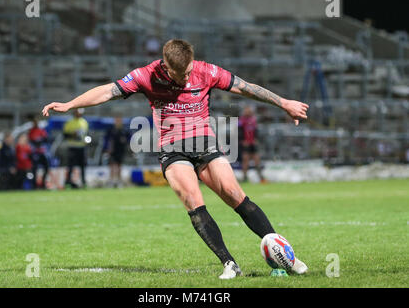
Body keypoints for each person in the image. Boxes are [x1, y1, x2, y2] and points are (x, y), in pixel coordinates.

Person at [42, 39, 309, 279]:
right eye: (179, 74)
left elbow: (246, 88)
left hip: (205, 143)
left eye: (189, 71)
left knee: (233, 193)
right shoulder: (146, 76)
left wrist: (283, 102)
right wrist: (70, 105)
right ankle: (229, 264)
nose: (186, 78)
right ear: (166, 66)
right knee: (194, 202)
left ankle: (285, 257)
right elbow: (107, 91)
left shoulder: (206, 70)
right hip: (172, 149)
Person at [239, 106, 267, 183]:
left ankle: (261, 176)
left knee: (257, 160)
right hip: (246, 144)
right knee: (245, 160)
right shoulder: (241, 120)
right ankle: (244, 177)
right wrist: (243, 141)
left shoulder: (253, 119)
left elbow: (256, 131)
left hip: (252, 143)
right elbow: (239, 131)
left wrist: (256, 139)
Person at [63, 108, 89, 189]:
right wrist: (73, 135)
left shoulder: (84, 122)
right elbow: (65, 135)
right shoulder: (69, 122)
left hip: (81, 146)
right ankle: (67, 182)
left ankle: (83, 182)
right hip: (72, 146)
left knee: (83, 166)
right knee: (70, 166)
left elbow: (86, 134)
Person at [105, 116, 130, 188]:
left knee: (119, 166)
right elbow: (107, 140)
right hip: (112, 150)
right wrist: (107, 149)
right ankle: (111, 181)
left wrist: (125, 141)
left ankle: (119, 181)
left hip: (120, 150)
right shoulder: (111, 130)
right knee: (112, 166)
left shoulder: (124, 130)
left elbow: (129, 138)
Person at [28, 117, 49, 189]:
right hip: (35, 153)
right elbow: (31, 141)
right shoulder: (31, 131)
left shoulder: (41, 130)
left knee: (46, 168)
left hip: (42, 152)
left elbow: (46, 139)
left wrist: (40, 141)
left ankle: (43, 183)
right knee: (34, 169)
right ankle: (34, 185)